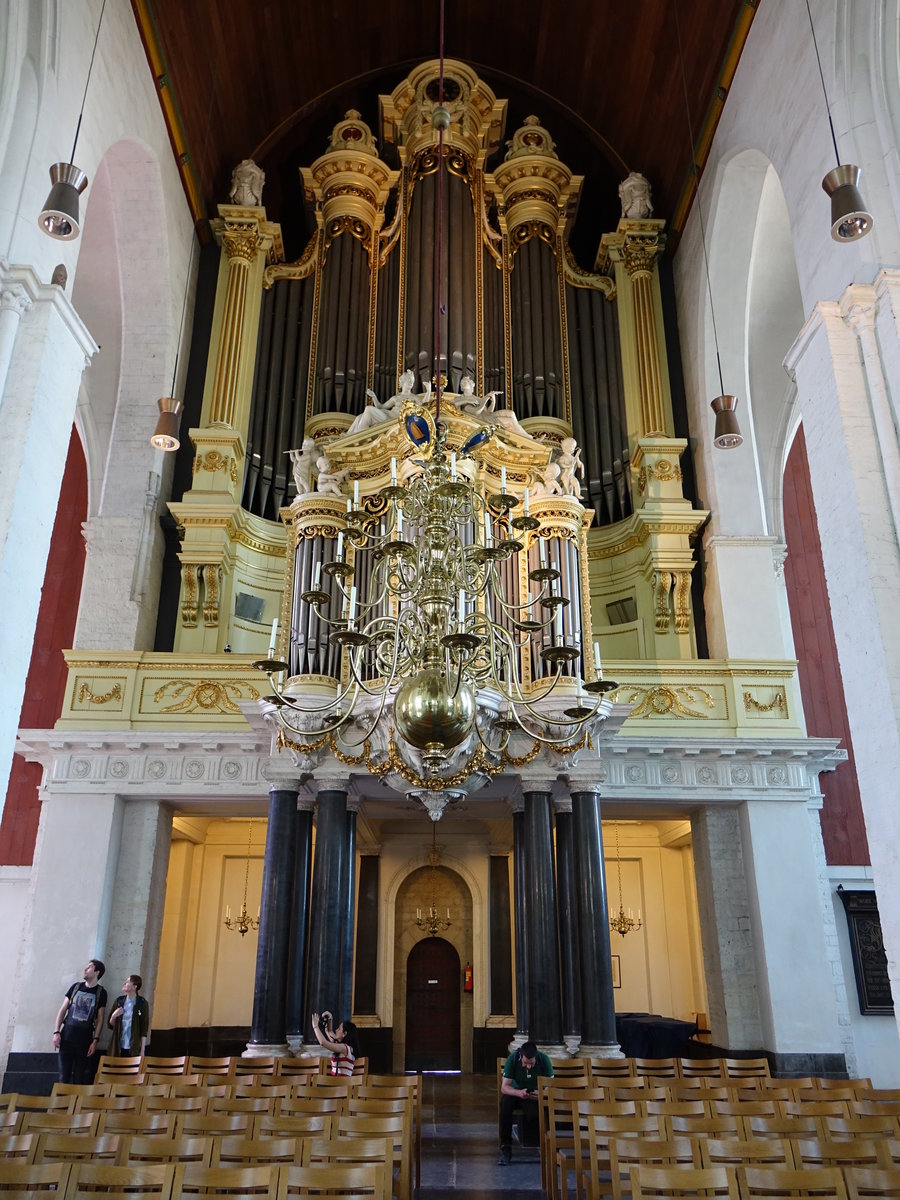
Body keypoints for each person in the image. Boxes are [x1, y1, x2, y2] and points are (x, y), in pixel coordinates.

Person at [498, 1040, 554, 1165]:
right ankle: (505, 1148)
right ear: (520, 1056)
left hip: (537, 1094)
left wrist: (540, 1094)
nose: (528, 1066)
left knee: (552, 1106)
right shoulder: (512, 1059)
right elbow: (504, 1087)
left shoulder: (544, 1060)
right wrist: (519, 1093)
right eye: (525, 1063)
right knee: (505, 1103)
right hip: (518, 1093)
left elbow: (551, 1087)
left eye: (531, 1063)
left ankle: (551, 1148)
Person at [52, 959, 107, 1084]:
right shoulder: (76, 987)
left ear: (97, 972)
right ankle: (61, 1103)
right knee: (63, 1078)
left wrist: (95, 1041)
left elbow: (100, 1019)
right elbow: (62, 1010)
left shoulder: (101, 993)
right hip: (67, 1037)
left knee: (79, 1078)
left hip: (84, 1040)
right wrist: (56, 1032)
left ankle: (75, 1103)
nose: (85, 969)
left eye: (89, 967)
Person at [107, 973, 150, 1058]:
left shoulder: (142, 1003)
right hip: (117, 1046)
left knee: (130, 1069)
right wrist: (114, 1016)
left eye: (127, 982)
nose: (124, 983)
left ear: (135, 987)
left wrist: (142, 1051)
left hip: (132, 1048)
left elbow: (144, 1028)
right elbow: (111, 1024)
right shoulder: (119, 1001)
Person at [310, 1009, 360, 1077]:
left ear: (344, 1034)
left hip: (342, 1085)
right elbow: (329, 1031)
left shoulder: (344, 1048)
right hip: (335, 1084)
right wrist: (330, 1018)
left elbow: (323, 1042)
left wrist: (315, 1026)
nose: (336, 1030)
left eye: (339, 1029)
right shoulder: (341, 1046)